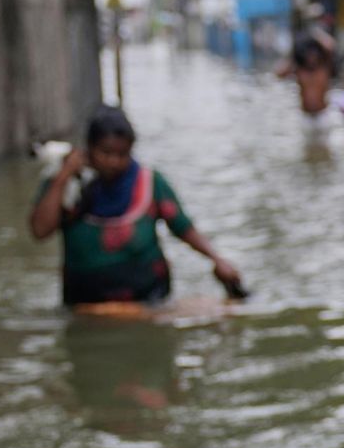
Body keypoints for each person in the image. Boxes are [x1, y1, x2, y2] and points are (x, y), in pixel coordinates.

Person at [29, 106, 244, 306]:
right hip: (85, 304)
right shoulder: (67, 186)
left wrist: (216, 259)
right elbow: (40, 231)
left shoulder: (149, 183)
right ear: (89, 149)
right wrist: (64, 175)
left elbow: (182, 227)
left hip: (149, 299)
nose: (113, 162)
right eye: (105, 153)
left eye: (121, 155)